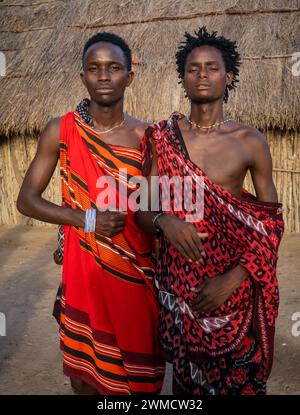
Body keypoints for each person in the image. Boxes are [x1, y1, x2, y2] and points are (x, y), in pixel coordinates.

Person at [136, 26, 284, 395]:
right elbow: (140, 207)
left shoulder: (249, 141)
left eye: (212, 68)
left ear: (228, 75)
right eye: (193, 68)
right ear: (183, 79)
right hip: (181, 291)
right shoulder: (161, 137)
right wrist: (163, 220)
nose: (202, 75)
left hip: (233, 291)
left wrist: (234, 278)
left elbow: (271, 223)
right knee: (188, 388)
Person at [17, 32, 165, 395]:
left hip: (135, 275)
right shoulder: (61, 129)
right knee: (84, 381)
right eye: (94, 68)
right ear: (82, 76)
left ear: (129, 77)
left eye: (113, 68)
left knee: (141, 377)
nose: (103, 76)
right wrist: (86, 219)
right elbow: (26, 200)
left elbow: (152, 209)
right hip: (83, 271)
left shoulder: (150, 137)